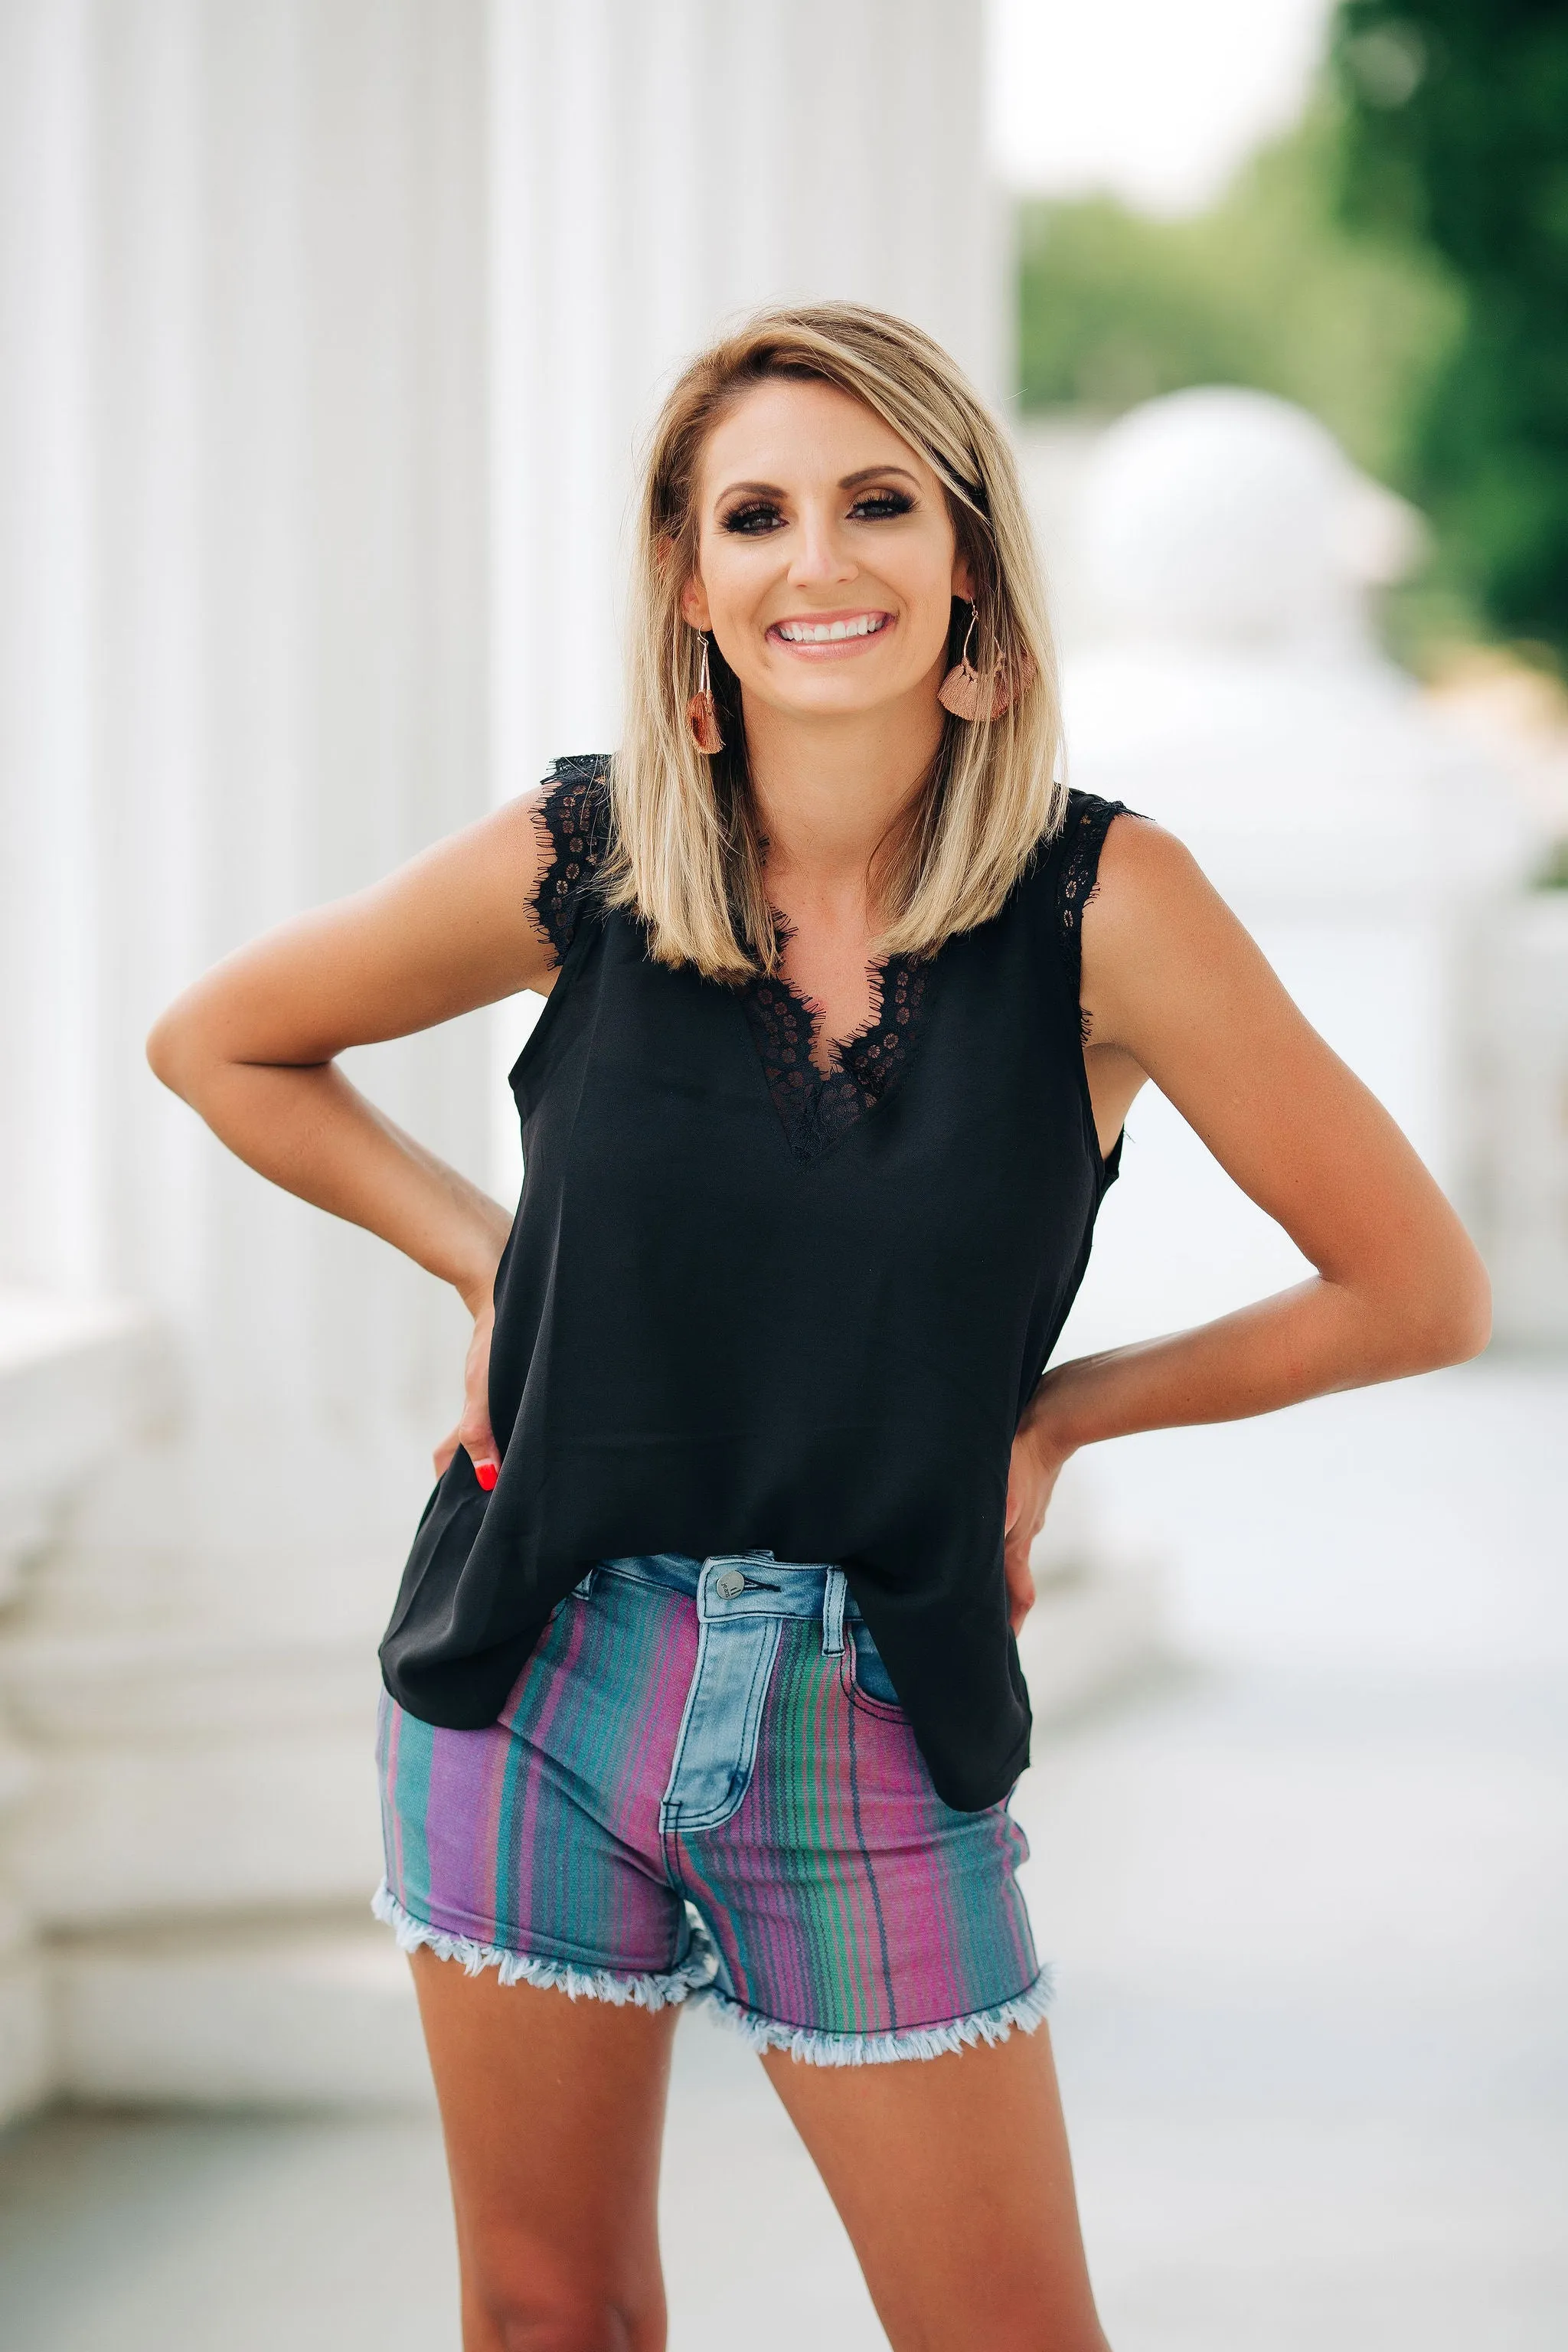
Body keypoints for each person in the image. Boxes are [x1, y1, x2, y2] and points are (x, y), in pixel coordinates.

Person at [147, 303, 1490, 2352]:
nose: (819, 560)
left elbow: (1416, 1286)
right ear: (690, 583)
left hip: (865, 1696)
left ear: (969, 557)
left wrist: (1057, 1423)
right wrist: (491, 1264)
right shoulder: (580, 858)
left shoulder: (1110, 902)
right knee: (541, 2313)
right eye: (752, 515)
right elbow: (223, 1042)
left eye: (877, 502)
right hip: (526, 1666)